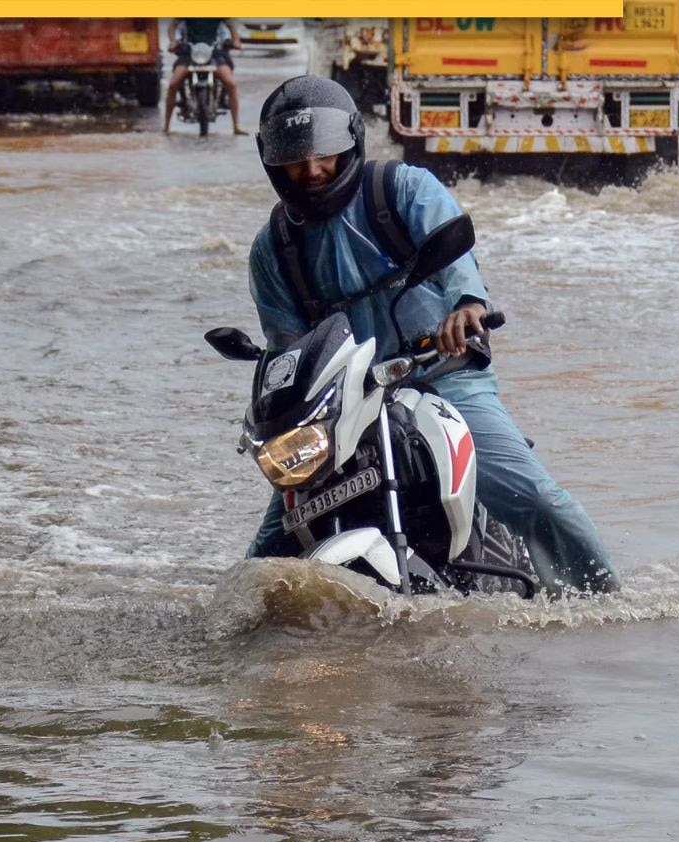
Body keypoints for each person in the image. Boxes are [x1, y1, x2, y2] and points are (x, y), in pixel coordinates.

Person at [245, 75, 620, 594]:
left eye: (325, 155)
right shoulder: (273, 249)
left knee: (534, 497)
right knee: (269, 550)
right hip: (342, 409)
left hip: (441, 378)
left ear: (352, 141)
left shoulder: (401, 188)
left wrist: (467, 306)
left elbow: (459, 260)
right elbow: (287, 348)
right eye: (296, 159)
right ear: (271, 161)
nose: (312, 170)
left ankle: (604, 602)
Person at [163, 18, 247, 135]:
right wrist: (172, 41)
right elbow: (172, 26)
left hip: (214, 53)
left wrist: (236, 40)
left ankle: (236, 126)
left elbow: (231, 26)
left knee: (231, 83)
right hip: (189, 53)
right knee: (173, 84)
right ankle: (166, 126)